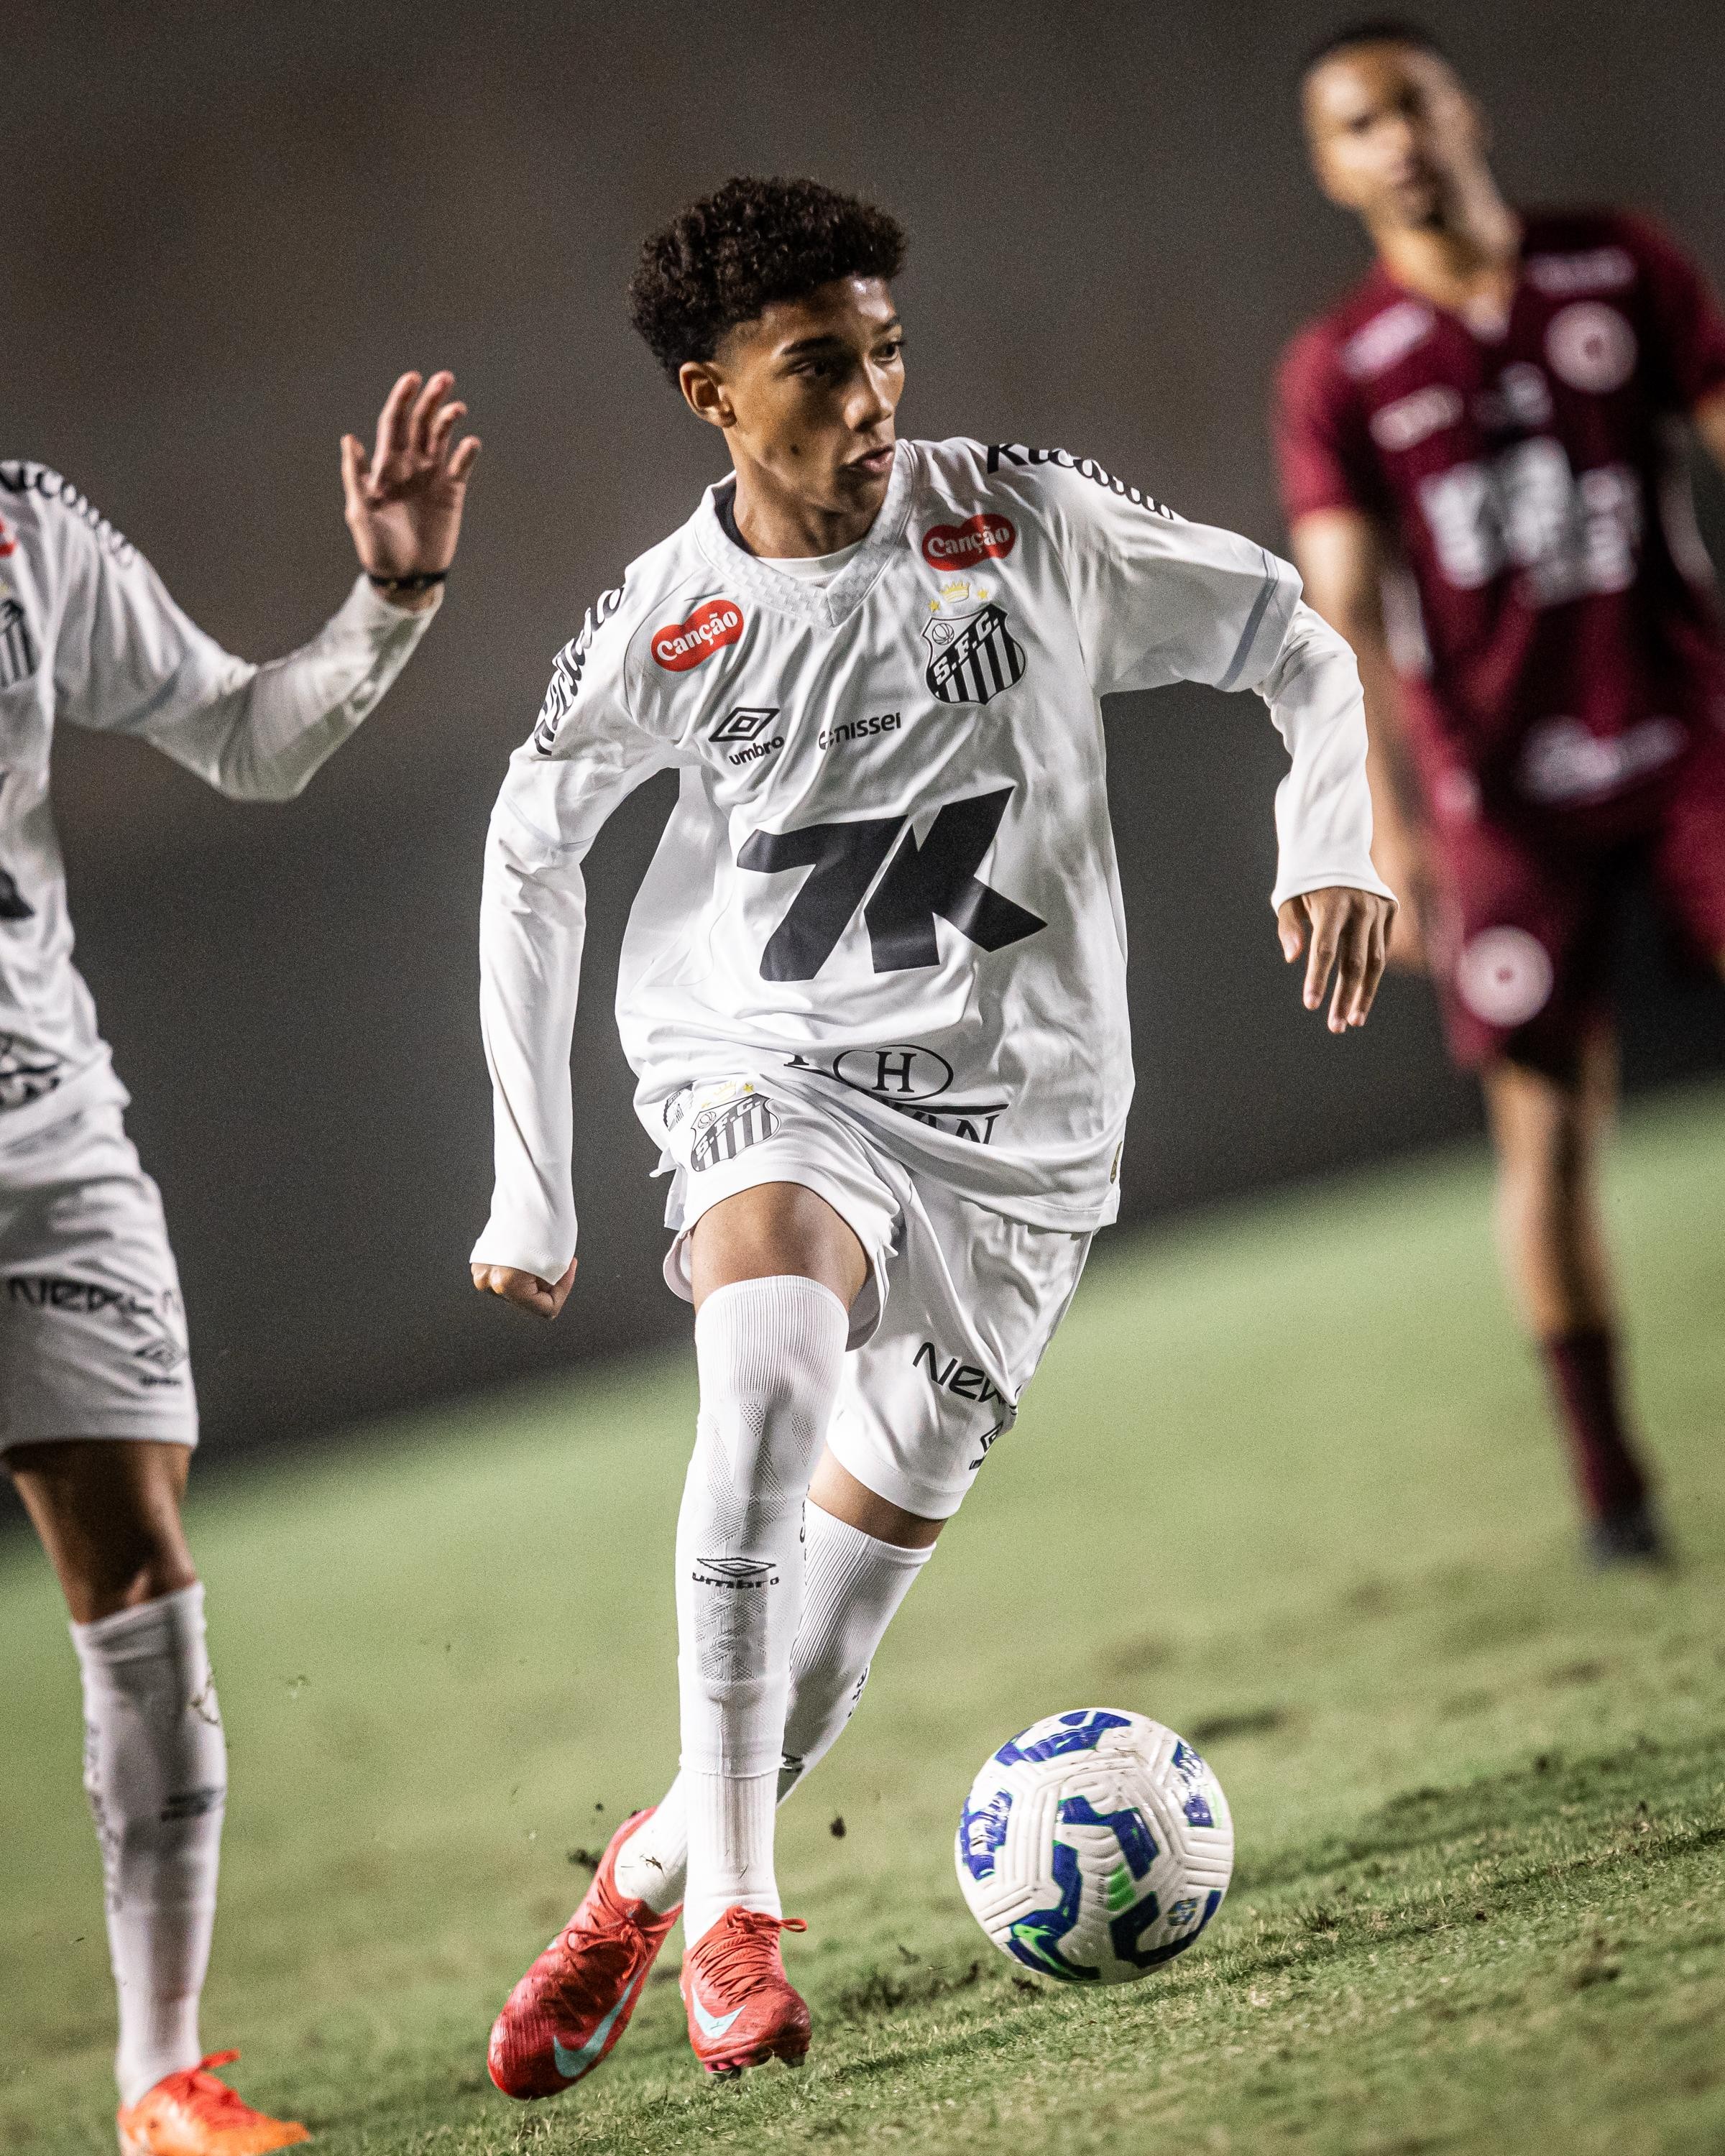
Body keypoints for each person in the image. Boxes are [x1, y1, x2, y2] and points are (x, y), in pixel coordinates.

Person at [471, 174, 1394, 2088]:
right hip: (774, 1077)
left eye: (888, 348)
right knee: (767, 1371)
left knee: (802, 1675)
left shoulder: (1024, 522)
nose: (876, 392)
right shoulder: (672, 618)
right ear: (714, 397)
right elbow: (528, 850)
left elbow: (1295, 639)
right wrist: (531, 1173)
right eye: (823, 365)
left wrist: (1334, 837)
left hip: (1027, 1143)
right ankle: (739, 1919)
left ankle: (643, 1884)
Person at [3, 372, 478, 2155]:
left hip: (48, 1152)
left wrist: (392, 598)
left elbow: (246, 739)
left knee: (143, 1594)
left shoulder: (24, 528)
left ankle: (159, 2079)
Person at [1275, 20, 1725, 1565]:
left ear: (1461, 110)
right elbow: (1342, 609)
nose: (1393, 137)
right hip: (1502, 796)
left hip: (1686, 736)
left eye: (1409, 102)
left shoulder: (1616, 266)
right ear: (1332, 169)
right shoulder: (1343, 367)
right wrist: (1382, 823)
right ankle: (1615, 1498)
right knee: (1547, 1137)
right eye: (1356, 124)